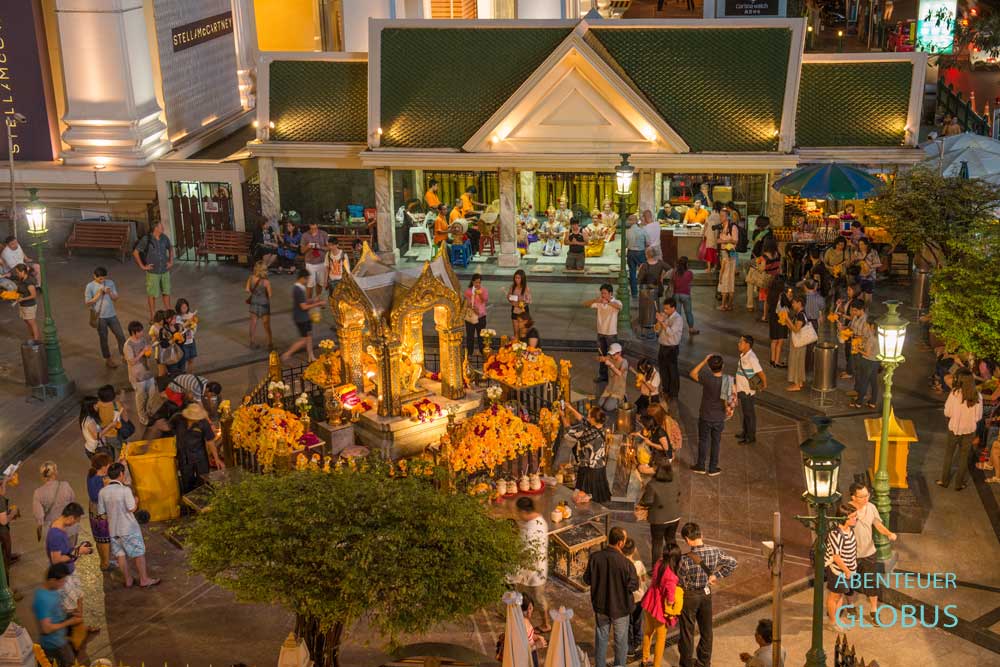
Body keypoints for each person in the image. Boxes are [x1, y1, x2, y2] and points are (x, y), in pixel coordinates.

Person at [677, 522, 738, 667]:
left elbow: (679, 580)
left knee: (687, 632)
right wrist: (716, 575)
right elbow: (733, 563)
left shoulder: (685, 559)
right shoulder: (715, 551)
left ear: (687, 539)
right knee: (706, 630)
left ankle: (686, 663)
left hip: (690, 596)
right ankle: (704, 662)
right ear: (701, 535)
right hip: (706, 593)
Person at [583, 526, 639, 667]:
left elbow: (587, 580)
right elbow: (634, 586)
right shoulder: (626, 563)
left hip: (601, 607)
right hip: (620, 609)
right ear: (620, 543)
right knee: (621, 642)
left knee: (601, 639)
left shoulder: (595, 558)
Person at [99, 462, 159, 588]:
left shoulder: (102, 492)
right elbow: (132, 508)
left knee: (120, 555)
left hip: (113, 530)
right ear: (121, 474)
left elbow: (102, 512)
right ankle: (144, 579)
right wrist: (136, 501)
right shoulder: (124, 490)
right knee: (138, 553)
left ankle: (128, 580)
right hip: (128, 528)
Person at [847, 482, 897, 622]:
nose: (866, 499)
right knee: (849, 581)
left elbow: (878, 525)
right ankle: (850, 606)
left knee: (871, 582)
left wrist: (889, 534)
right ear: (853, 496)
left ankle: (874, 611)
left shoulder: (871, 507)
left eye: (867, 495)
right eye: (862, 496)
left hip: (869, 553)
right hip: (850, 554)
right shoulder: (846, 509)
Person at [937, 368, 983, 491]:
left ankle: (944, 480)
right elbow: (978, 417)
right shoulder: (977, 396)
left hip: (954, 429)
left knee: (949, 455)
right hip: (969, 430)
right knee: (964, 457)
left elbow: (947, 412)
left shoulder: (954, 394)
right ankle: (959, 484)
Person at [510, 497, 551, 632]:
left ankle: (546, 624)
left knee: (538, 598)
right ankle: (522, 619)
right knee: (522, 595)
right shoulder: (532, 521)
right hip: (526, 568)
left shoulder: (536, 526)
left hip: (535, 568)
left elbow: (526, 549)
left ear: (524, 511)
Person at [33, 563, 83, 667]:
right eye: (62, 581)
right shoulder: (43, 600)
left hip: (60, 639)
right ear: (52, 580)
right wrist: (70, 622)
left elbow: (55, 611)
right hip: (54, 645)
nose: (63, 584)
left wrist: (71, 612)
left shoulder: (52, 590)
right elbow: (46, 629)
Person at [640, 543, 681, 667]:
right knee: (660, 638)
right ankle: (657, 665)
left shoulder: (659, 563)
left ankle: (644, 659)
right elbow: (670, 600)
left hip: (649, 602)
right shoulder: (672, 577)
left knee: (648, 631)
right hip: (660, 609)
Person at [560, 403, 611, 503]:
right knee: (595, 493)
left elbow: (570, 431)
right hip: (599, 465)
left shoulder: (591, 433)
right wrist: (570, 408)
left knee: (585, 495)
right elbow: (583, 419)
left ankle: (591, 513)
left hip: (590, 468)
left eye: (589, 416)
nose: (587, 417)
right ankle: (595, 515)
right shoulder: (600, 426)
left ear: (593, 419)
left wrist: (562, 416)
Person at [171, 403, 224, 494]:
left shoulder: (203, 423)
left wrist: (217, 458)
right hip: (184, 457)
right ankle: (189, 504)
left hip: (200, 457)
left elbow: (210, 441)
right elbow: (168, 429)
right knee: (187, 483)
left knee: (204, 482)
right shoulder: (178, 419)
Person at [689, 354, 727, 476]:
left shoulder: (707, 378)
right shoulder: (727, 381)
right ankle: (713, 467)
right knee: (716, 442)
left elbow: (692, 373)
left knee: (703, 440)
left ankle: (700, 466)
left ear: (710, 368)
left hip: (705, 415)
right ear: (723, 366)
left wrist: (704, 360)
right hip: (719, 416)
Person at [638, 462, 681, 565]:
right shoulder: (675, 478)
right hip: (675, 516)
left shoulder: (652, 485)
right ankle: (674, 564)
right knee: (671, 539)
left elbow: (647, 501)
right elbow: (678, 492)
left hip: (659, 519)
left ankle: (656, 569)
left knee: (657, 543)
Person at [84, 266, 126, 369]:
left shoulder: (110, 283)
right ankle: (108, 359)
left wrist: (110, 293)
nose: (102, 280)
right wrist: (98, 294)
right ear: (94, 276)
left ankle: (124, 355)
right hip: (100, 317)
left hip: (112, 315)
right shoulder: (90, 286)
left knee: (121, 335)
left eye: (104, 278)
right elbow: (88, 302)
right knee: (104, 339)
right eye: (100, 279)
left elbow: (116, 298)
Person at [825, 504, 859, 628]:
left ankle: (836, 620)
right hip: (838, 571)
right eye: (853, 517)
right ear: (844, 518)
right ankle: (832, 622)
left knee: (839, 596)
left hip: (847, 571)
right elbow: (836, 557)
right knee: (834, 596)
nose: (856, 518)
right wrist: (846, 571)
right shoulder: (836, 534)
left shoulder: (849, 530)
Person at [132, 221, 174, 322]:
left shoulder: (164, 237)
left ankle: (169, 313)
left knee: (166, 292)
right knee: (152, 295)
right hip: (152, 272)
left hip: (164, 270)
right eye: (160, 226)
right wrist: (142, 266)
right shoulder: (147, 239)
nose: (163, 227)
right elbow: (135, 252)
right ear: (155, 228)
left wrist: (171, 261)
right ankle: (153, 315)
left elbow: (171, 247)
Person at [282, 269, 325, 363]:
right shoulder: (298, 289)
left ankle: (311, 356)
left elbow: (304, 302)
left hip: (304, 317)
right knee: (304, 340)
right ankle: (288, 353)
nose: (307, 281)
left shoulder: (300, 287)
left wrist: (313, 300)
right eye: (307, 279)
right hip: (301, 318)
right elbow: (304, 307)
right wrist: (318, 304)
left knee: (309, 337)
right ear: (302, 278)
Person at [584, 284, 623, 384]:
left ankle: (613, 376)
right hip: (600, 332)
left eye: (605, 293)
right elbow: (585, 304)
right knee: (602, 355)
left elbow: (618, 307)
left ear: (611, 293)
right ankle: (603, 375)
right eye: (602, 293)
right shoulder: (600, 302)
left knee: (612, 356)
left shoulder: (616, 302)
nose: (603, 295)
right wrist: (595, 300)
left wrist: (609, 302)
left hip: (611, 333)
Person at [33, 462, 77, 545]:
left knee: (56, 556)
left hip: (53, 531)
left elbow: (39, 516)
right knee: (71, 553)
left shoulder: (38, 493)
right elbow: (73, 503)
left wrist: (39, 527)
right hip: (69, 527)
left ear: (42, 475)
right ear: (55, 472)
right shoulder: (65, 485)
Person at [122, 321, 156, 425]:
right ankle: (142, 417)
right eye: (140, 331)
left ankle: (149, 411)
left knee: (152, 393)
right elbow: (131, 361)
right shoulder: (128, 345)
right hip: (137, 375)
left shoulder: (143, 339)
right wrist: (142, 352)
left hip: (147, 371)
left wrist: (149, 351)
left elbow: (147, 353)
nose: (142, 332)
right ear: (133, 332)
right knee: (141, 398)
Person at [736, 335, 767, 445]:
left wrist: (764, 384)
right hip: (742, 389)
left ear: (747, 344)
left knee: (749, 414)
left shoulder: (752, 358)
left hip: (747, 391)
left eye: (741, 342)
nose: (739, 344)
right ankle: (745, 432)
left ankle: (750, 437)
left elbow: (760, 373)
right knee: (745, 412)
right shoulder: (744, 355)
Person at [86, 453, 113, 571]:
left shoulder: (94, 474)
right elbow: (95, 496)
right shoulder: (95, 479)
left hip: (94, 510)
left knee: (99, 537)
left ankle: (103, 561)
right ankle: (105, 563)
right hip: (100, 511)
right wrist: (105, 487)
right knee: (104, 538)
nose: (110, 466)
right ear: (102, 466)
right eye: (108, 464)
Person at [654, 298, 684, 402]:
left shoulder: (678, 319)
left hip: (671, 348)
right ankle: (665, 390)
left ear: (673, 308)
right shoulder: (665, 316)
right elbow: (656, 329)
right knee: (663, 371)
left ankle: (674, 394)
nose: (665, 311)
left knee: (672, 372)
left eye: (667, 309)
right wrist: (658, 321)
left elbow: (670, 332)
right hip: (662, 346)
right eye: (664, 308)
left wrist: (663, 322)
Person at [623, 538, 648, 660]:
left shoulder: (621, 566)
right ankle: (638, 641)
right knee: (637, 621)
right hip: (639, 598)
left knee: (627, 624)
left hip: (626, 599)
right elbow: (644, 579)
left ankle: (629, 648)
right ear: (634, 550)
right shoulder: (638, 565)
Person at [848, 317, 881, 410]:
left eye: (866, 326)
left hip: (868, 362)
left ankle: (858, 402)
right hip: (876, 362)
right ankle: (873, 402)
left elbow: (867, 353)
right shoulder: (879, 337)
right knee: (874, 382)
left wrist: (858, 349)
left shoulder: (871, 339)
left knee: (864, 382)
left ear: (872, 326)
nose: (865, 327)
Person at [95, 384, 128, 459]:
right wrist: (122, 402)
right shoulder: (117, 405)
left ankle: (111, 467)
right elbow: (126, 419)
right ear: (113, 395)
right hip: (114, 434)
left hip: (102, 435)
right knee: (123, 451)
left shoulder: (97, 405)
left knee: (109, 455)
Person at [597, 343, 628, 423]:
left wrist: (611, 365)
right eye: (611, 354)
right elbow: (600, 359)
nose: (612, 356)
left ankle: (623, 398)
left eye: (614, 354)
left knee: (608, 407)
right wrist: (601, 358)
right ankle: (612, 400)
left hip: (618, 389)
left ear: (619, 353)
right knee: (600, 404)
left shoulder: (624, 362)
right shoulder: (611, 358)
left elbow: (620, 373)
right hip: (610, 388)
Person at [246, 261, 273, 349]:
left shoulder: (251, 278)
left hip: (254, 303)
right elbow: (270, 295)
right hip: (264, 305)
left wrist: (255, 294)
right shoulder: (266, 282)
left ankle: (252, 342)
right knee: (266, 325)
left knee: (253, 324)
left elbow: (247, 290)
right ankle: (270, 343)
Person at [785, 295, 809, 392]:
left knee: (796, 361)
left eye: (794, 302)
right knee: (799, 361)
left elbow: (796, 329)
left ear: (799, 303)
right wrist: (787, 322)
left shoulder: (800, 315)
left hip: (798, 343)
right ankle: (800, 382)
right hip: (801, 342)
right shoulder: (801, 313)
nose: (792, 304)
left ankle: (796, 384)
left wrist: (787, 320)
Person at [300, 222, 329, 299]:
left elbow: (328, 248)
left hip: (322, 262)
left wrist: (320, 247)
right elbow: (302, 251)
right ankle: (309, 301)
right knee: (309, 284)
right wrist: (307, 246)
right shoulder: (305, 235)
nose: (313, 230)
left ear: (318, 226)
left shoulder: (323, 234)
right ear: (309, 227)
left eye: (315, 228)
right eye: (311, 229)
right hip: (310, 263)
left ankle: (317, 299)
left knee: (320, 283)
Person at [671, 257, 698, 337]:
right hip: (685, 295)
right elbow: (690, 281)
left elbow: (672, 282)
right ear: (687, 264)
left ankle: (677, 328)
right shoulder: (689, 273)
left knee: (677, 314)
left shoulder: (674, 272)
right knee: (688, 312)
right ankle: (691, 328)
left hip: (676, 294)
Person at [11, 263, 39, 341]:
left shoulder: (29, 282)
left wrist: (22, 299)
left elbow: (33, 295)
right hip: (22, 304)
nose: (17, 274)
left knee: (32, 323)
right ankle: (32, 337)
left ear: (23, 271)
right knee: (27, 321)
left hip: (29, 305)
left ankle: (36, 340)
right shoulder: (21, 279)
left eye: (18, 272)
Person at [766, 276, 790, 368]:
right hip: (781, 319)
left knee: (773, 340)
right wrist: (789, 297)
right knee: (779, 342)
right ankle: (777, 361)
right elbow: (788, 305)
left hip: (772, 318)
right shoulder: (782, 295)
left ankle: (772, 360)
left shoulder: (770, 294)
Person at [717, 212, 738, 311]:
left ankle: (725, 304)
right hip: (724, 253)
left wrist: (723, 241)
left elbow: (735, 241)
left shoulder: (732, 227)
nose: (720, 217)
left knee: (726, 277)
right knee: (727, 277)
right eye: (720, 215)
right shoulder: (722, 226)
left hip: (729, 254)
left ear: (727, 217)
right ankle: (728, 304)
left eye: (722, 216)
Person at [464, 274, 488, 357]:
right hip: (471, 316)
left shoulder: (483, 290)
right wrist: (472, 307)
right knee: (470, 336)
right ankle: (469, 354)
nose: (478, 284)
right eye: (476, 282)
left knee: (481, 336)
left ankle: (483, 352)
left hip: (481, 316)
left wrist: (479, 294)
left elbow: (485, 300)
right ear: (472, 282)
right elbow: (466, 303)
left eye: (479, 282)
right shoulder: (468, 291)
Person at [758, 237, 782, 322]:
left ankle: (765, 316)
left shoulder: (764, 257)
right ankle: (777, 314)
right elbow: (779, 267)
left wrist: (758, 266)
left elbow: (762, 269)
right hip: (776, 278)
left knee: (766, 299)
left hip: (767, 279)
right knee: (775, 297)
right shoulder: (778, 254)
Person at [625, 214, 648, 298]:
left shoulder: (627, 232)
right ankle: (644, 290)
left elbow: (625, 245)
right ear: (636, 221)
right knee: (644, 272)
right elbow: (648, 243)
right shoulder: (643, 231)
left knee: (632, 272)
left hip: (631, 253)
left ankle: (634, 293)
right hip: (641, 252)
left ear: (631, 221)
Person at [507, 269, 532, 341]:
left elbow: (529, 300)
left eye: (519, 278)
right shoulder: (512, 287)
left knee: (523, 332)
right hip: (515, 310)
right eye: (515, 278)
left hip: (523, 311)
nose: (517, 280)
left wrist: (523, 302)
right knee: (516, 332)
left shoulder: (526, 288)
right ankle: (516, 348)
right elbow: (509, 297)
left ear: (522, 279)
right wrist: (510, 298)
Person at [854, 238, 881, 303]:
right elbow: (854, 263)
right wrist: (860, 260)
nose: (861, 246)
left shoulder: (873, 252)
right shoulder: (857, 252)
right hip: (859, 277)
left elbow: (878, 264)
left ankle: (867, 311)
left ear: (867, 245)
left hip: (870, 278)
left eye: (862, 244)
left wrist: (869, 266)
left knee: (868, 298)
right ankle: (860, 311)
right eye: (859, 244)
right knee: (859, 297)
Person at [175, 297, 198, 371]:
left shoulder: (191, 315)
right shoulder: (177, 318)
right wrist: (187, 323)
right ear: (179, 308)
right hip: (183, 343)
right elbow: (179, 329)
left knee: (191, 360)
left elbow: (194, 328)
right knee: (183, 361)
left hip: (191, 340)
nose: (185, 309)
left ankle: (191, 375)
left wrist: (193, 325)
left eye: (186, 307)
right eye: (183, 307)